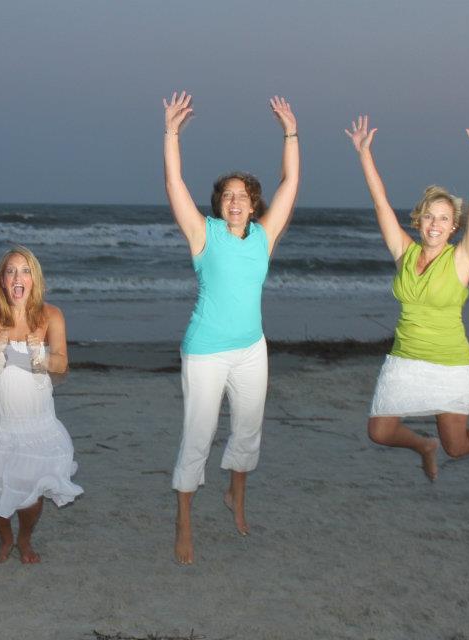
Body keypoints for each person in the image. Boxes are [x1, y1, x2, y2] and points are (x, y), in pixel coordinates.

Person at [345, 115, 469, 481]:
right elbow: (380, 204)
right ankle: (424, 445)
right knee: (379, 431)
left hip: (448, 362)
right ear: (418, 220)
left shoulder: (461, 260)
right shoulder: (404, 253)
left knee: (457, 446)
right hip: (405, 359)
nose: (435, 224)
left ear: (454, 225)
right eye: (429, 217)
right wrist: (364, 154)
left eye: (443, 219)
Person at [163, 92, 300, 564]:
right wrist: (172, 132)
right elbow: (174, 181)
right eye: (228, 195)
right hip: (205, 351)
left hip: (251, 349)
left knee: (247, 430)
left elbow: (291, 180)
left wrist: (290, 132)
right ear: (219, 204)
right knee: (198, 434)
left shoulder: (265, 236)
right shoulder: (203, 233)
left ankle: (235, 496)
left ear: (254, 203)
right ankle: (184, 520)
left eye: (243, 195)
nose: (236, 201)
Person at [0, 246, 82, 564]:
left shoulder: (51, 315)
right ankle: (5, 539)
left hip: (35, 423)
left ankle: (25, 538)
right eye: (11, 271)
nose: (18, 277)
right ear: (2, 279)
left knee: (32, 490)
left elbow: (62, 365)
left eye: (25, 271)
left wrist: (41, 356)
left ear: (34, 279)